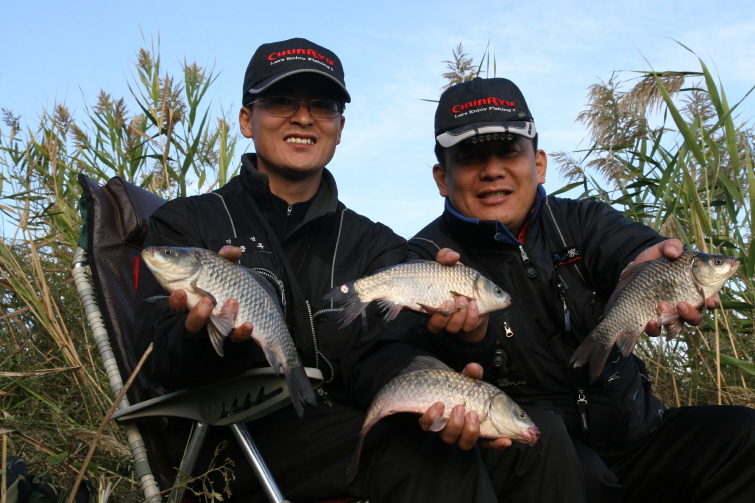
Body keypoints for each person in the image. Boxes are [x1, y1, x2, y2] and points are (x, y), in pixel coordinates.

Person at [134, 38, 499, 503]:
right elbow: (158, 363)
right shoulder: (186, 225)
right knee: (420, 453)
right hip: (233, 439)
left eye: (322, 106)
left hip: (341, 420)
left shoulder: (374, 243)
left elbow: (384, 354)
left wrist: (459, 338)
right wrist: (199, 335)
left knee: (531, 442)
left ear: (340, 128)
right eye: (282, 101)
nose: (304, 118)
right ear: (247, 119)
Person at [398, 76, 755, 502]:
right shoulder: (424, 261)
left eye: (509, 151)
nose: (492, 170)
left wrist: (655, 261)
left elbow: (630, 248)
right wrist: (468, 342)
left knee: (743, 436)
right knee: (572, 468)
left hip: (638, 436)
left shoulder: (582, 220)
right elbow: (410, 360)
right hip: (535, 453)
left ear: (539, 163)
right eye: (471, 157)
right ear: (442, 177)